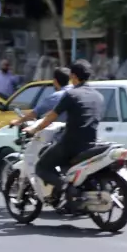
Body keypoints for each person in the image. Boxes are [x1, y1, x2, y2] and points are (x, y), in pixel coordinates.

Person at [26, 60, 104, 204]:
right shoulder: (98, 96)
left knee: (42, 166)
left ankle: (67, 188)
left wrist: (34, 130)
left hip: (70, 145)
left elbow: (51, 117)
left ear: (73, 76)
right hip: (92, 143)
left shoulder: (72, 94)